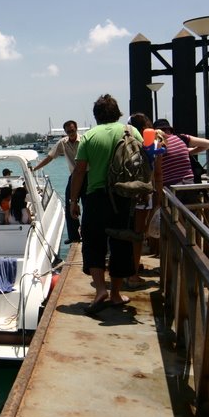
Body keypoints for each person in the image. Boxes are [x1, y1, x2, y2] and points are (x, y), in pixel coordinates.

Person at [69, 94, 141, 312]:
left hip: (96, 196)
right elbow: (147, 158)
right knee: (121, 242)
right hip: (125, 196)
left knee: (93, 242)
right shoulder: (131, 131)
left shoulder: (90, 137)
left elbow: (80, 172)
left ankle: (101, 290)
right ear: (117, 112)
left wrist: (73, 201)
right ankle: (117, 294)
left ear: (96, 115)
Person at [127, 113, 164, 288]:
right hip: (143, 194)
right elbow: (157, 173)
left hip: (125, 193)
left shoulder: (125, 142)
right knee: (138, 235)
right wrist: (159, 196)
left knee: (126, 233)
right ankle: (133, 274)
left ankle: (126, 268)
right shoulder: (152, 143)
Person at [32, 120, 84, 244]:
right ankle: (74, 236)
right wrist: (35, 168)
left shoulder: (84, 141)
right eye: (68, 131)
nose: (71, 133)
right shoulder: (63, 143)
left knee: (89, 205)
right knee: (69, 204)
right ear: (65, 132)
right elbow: (50, 157)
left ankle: (89, 234)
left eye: (72, 130)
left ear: (76, 129)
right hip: (74, 176)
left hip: (87, 175)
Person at [153, 119, 209, 204]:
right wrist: (187, 151)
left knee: (172, 214)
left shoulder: (157, 145)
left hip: (171, 186)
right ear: (170, 130)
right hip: (189, 183)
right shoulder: (181, 138)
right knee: (191, 213)